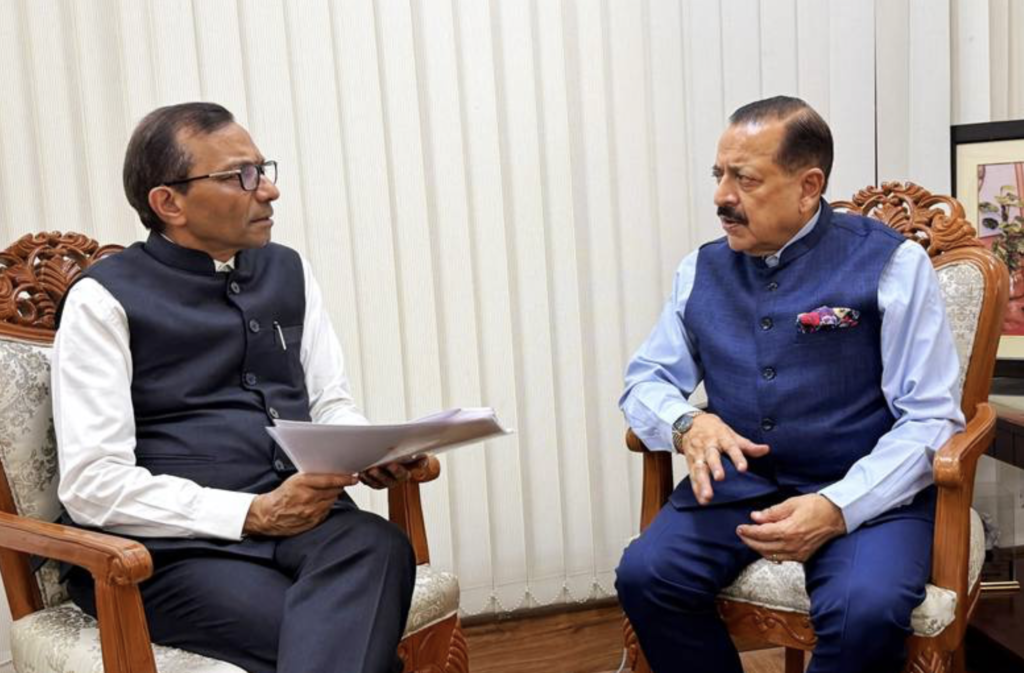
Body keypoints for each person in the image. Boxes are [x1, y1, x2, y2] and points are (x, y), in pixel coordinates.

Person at [53, 102, 421, 673]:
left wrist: (370, 448)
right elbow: (91, 484)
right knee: (334, 640)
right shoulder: (102, 299)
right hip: (169, 553)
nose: (268, 190)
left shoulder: (288, 270)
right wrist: (252, 512)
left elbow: (329, 403)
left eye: (263, 169)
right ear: (167, 202)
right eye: (239, 176)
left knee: (377, 545)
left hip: (310, 524)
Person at [614, 96, 964, 673]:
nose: (722, 196)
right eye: (719, 174)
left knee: (866, 610)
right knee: (648, 577)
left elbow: (930, 417)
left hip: (865, 488)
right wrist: (687, 423)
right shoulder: (698, 270)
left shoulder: (892, 264)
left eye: (744, 179)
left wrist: (836, 506)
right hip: (740, 488)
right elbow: (644, 380)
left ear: (808, 187)